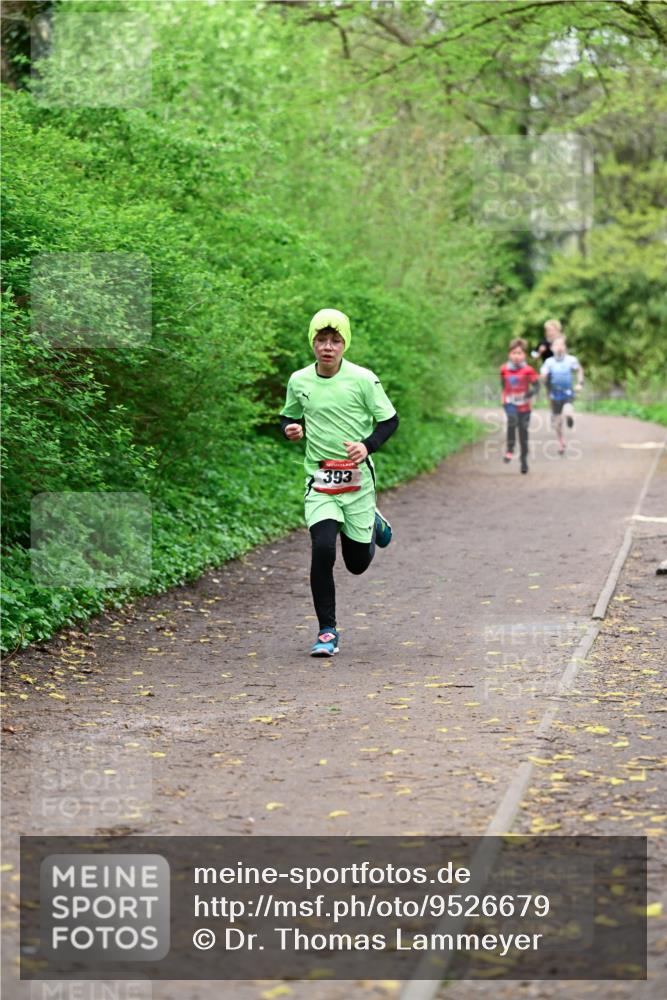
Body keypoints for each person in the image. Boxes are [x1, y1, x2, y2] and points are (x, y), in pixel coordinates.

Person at [280, 308, 399, 657]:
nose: (328, 347)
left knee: (357, 564)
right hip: (320, 479)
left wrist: (367, 446)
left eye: (335, 340)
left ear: (345, 344)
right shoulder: (299, 380)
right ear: (312, 343)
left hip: (358, 482)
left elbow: (390, 421)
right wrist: (289, 429)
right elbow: (288, 415)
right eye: (321, 340)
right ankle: (327, 632)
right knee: (322, 548)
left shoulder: (363, 379)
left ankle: (372, 521)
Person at [500, 337, 540, 474]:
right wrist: (504, 397)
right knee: (512, 421)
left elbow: (537, 386)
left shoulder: (528, 370)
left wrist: (528, 394)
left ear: (524, 355)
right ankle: (510, 449)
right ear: (509, 354)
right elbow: (503, 384)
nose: (516, 356)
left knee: (523, 433)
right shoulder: (504, 369)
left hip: (524, 406)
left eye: (519, 353)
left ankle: (523, 460)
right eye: (514, 353)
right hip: (509, 402)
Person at [541, 335, 584, 454]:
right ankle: (561, 442)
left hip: (568, 392)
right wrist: (544, 379)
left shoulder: (571, 360)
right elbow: (543, 375)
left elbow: (579, 370)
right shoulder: (549, 362)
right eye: (557, 345)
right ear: (552, 348)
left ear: (565, 347)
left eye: (562, 345)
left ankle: (569, 417)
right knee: (557, 421)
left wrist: (580, 383)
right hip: (555, 393)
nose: (559, 347)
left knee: (567, 409)